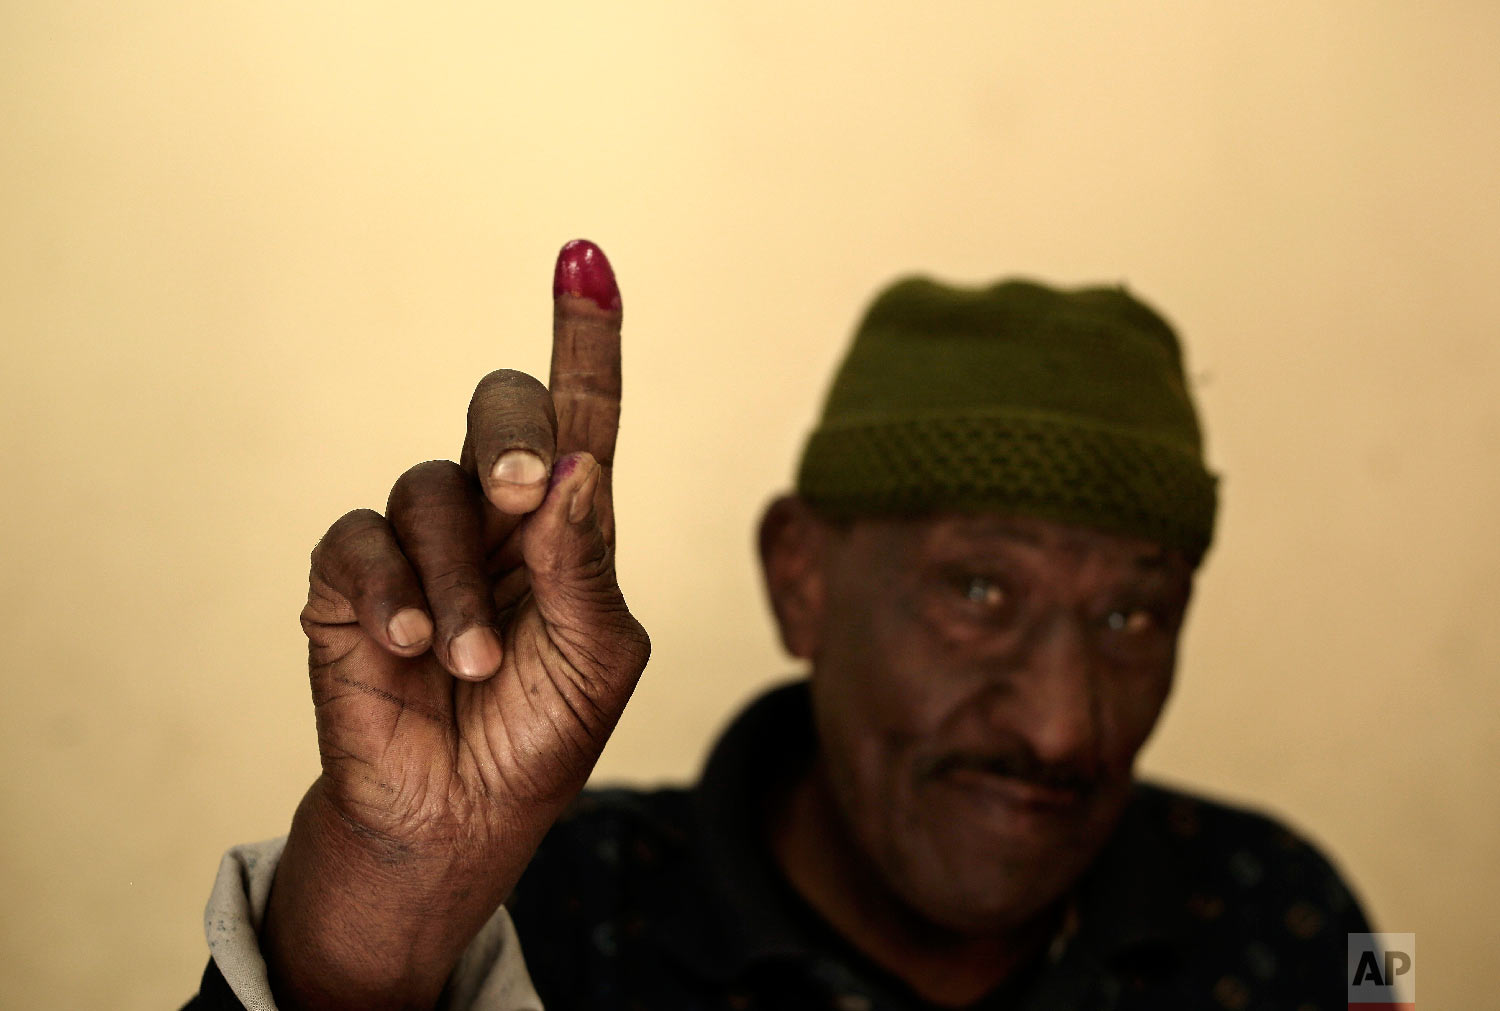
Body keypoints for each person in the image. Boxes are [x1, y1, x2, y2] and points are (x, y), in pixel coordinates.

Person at [185, 240, 1369, 1011]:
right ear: (799, 576)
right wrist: (386, 909)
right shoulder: (549, 922)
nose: (1063, 726)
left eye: (1131, 612)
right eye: (977, 594)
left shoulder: (1292, 917)